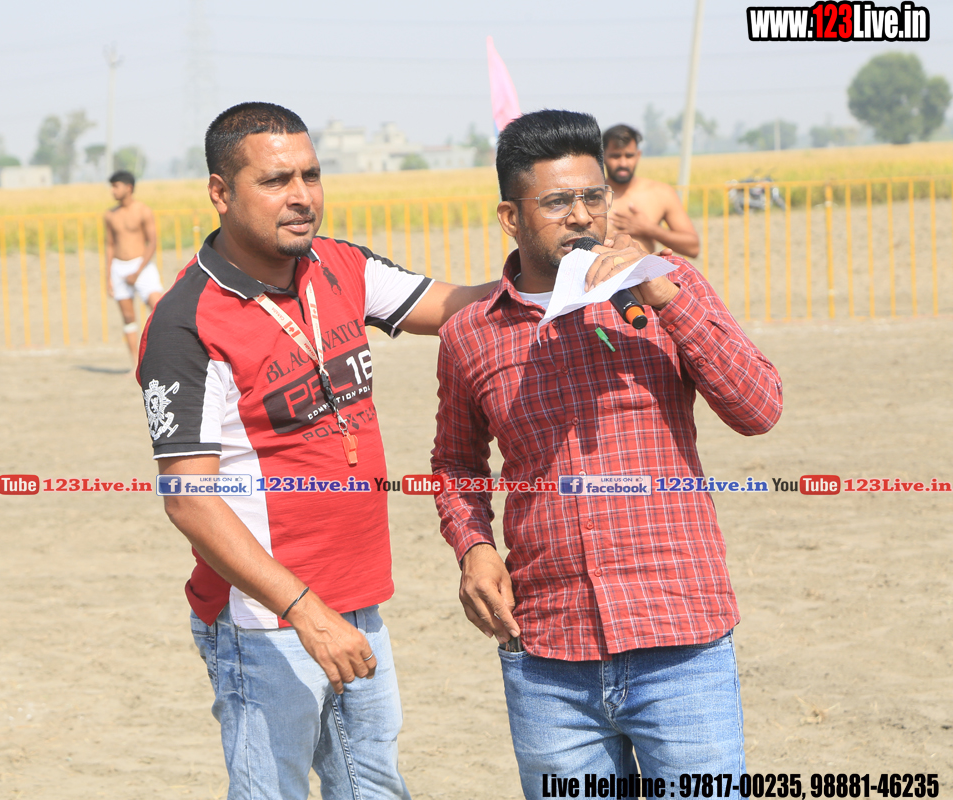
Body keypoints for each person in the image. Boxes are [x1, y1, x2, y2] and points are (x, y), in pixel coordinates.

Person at [137, 101, 495, 800]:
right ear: (220, 193)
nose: (302, 196)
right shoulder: (187, 322)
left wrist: (553, 275)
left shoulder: (341, 265)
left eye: (311, 175)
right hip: (264, 619)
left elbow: (462, 308)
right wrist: (305, 611)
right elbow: (188, 500)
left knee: (375, 787)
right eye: (276, 181)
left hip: (356, 601)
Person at [431, 109, 783, 797]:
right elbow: (456, 465)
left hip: (679, 639)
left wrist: (663, 295)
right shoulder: (472, 333)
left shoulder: (667, 288)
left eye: (594, 197)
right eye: (557, 202)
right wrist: (473, 547)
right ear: (510, 217)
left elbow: (758, 408)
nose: (581, 216)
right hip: (548, 656)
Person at [602, 123, 700, 257]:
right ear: (603, 156)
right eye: (615, 156)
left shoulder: (661, 193)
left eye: (629, 156)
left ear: (638, 155)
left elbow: (693, 248)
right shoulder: (591, 197)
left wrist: (650, 229)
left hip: (646, 270)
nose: (623, 163)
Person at [104, 170, 163, 362]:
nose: (112, 191)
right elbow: (109, 245)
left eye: (116, 186)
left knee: (160, 308)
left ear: (128, 188)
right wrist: (108, 277)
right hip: (118, 268)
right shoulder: (110, 215)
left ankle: (163, 355)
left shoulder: (143, 210)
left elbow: (152, 242)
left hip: (141, 266)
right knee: (128, 317)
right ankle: (135, 364)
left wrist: (137, 272)